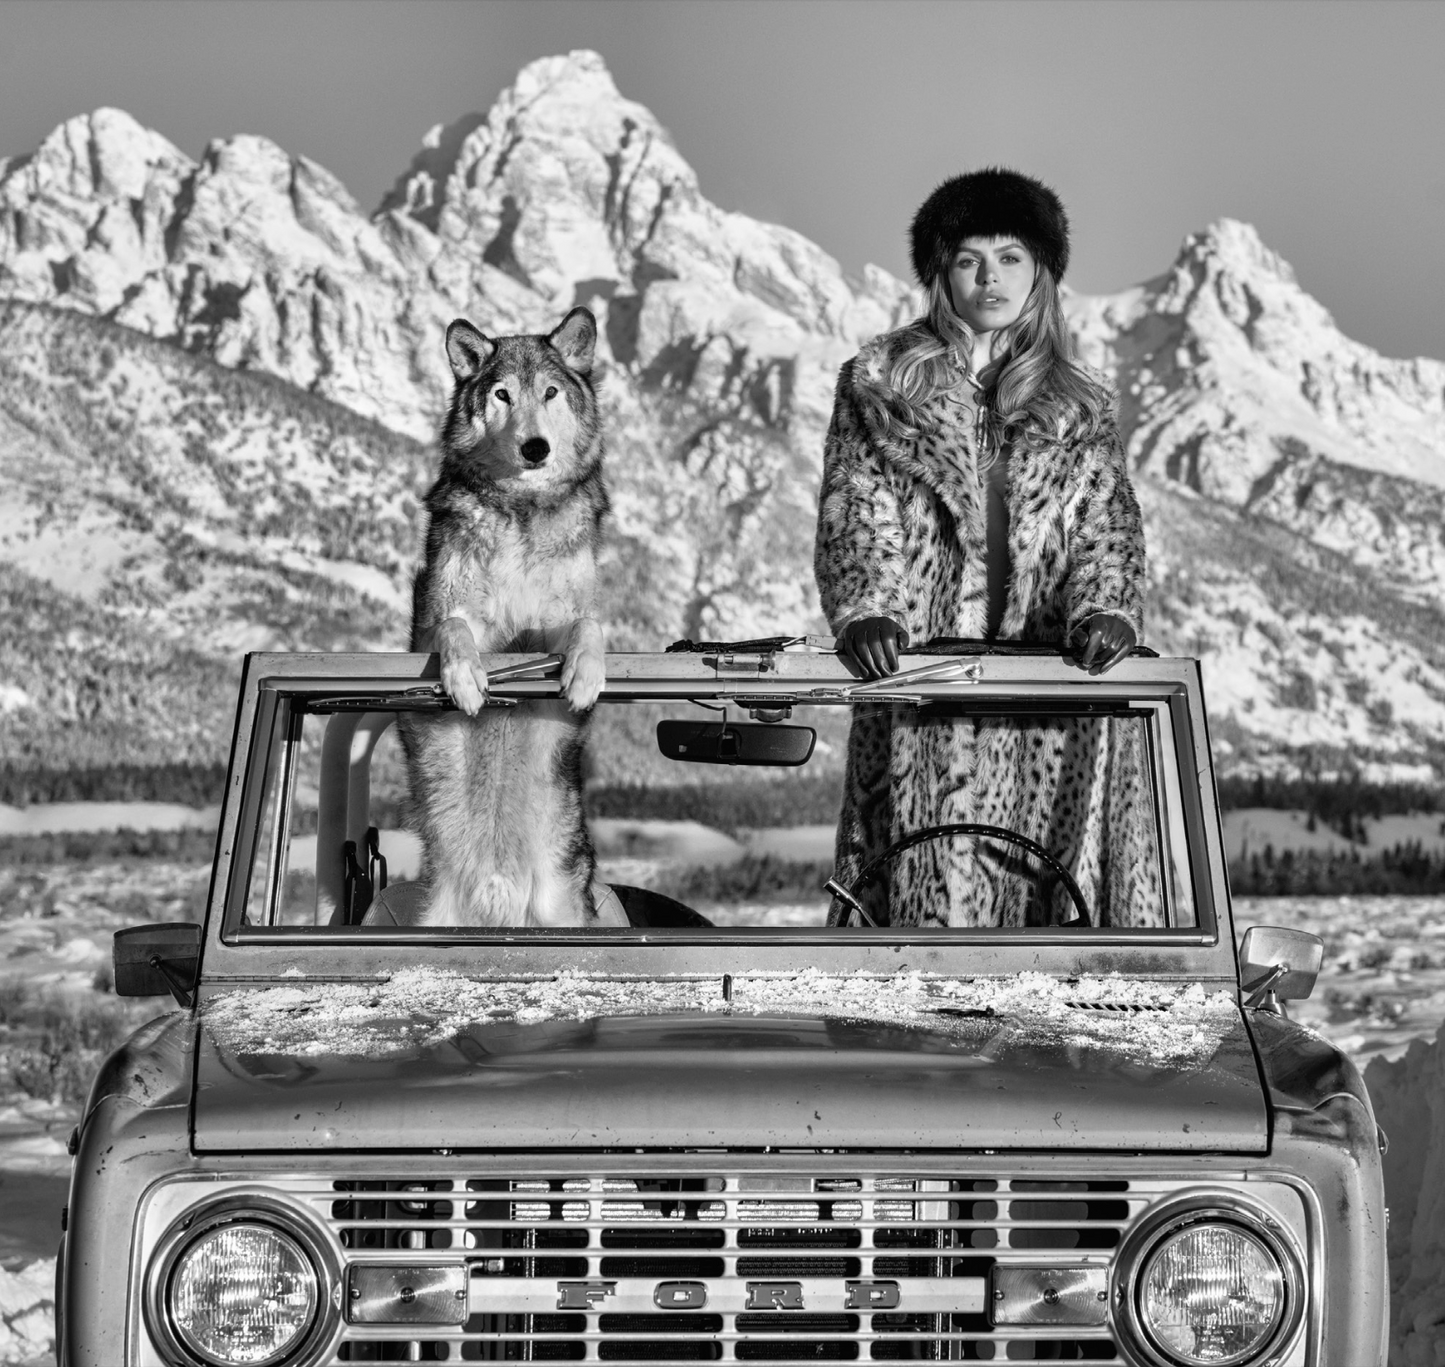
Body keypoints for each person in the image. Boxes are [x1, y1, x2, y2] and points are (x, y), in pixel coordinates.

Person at [814, 167, 1157, 928]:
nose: (988, 276)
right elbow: (854, 506)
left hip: (1048, 691)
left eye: (1009, 256)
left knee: (1050, 915)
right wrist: (863, 608)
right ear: (942, 272)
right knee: (914, 913)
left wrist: (1107, 608)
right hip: (922, 685)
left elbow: (1107, 524)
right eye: (969, 258)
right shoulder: (880, 382)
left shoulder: (1079, 401)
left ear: (1039, 271)